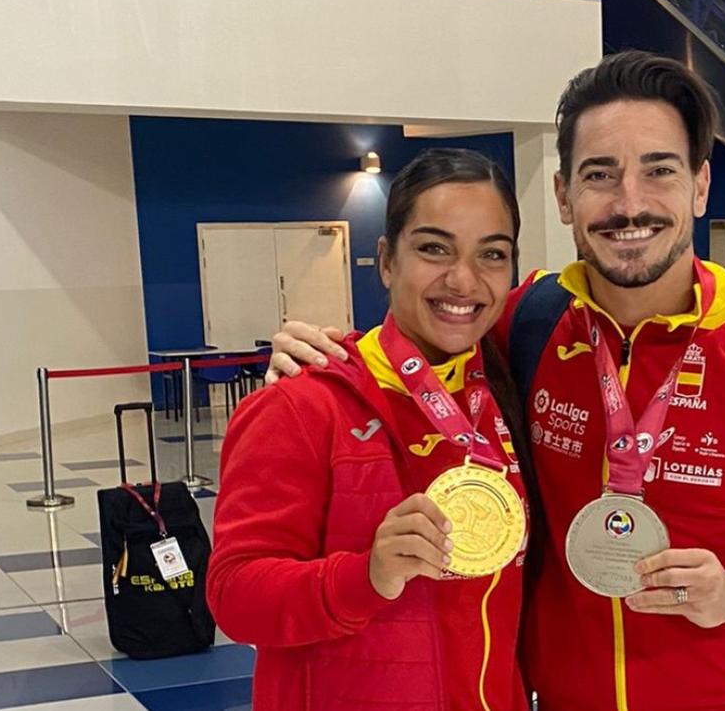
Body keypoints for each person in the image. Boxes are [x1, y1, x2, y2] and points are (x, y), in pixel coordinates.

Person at [267, 51, 725, 711]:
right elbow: (429, 340)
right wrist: (319, 362)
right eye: (601, 175)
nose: (630, 205)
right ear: (565, 195)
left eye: (659, 171)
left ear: (701, 186)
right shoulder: (529, 323)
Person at [207, 148, 532, 711]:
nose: (463, 280)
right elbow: (234, 595)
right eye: (434, 248)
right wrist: (366, 576)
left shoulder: (510, 384)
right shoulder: (305, 404)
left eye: (492, 255)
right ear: (386, 260)